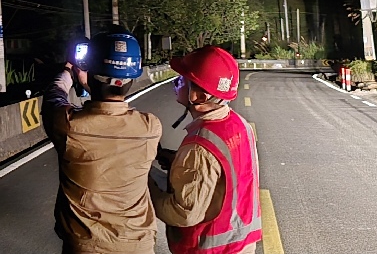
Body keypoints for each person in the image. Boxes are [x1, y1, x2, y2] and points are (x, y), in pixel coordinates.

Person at [43, 31, 162, 254]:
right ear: (133, 77)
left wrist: (70, 70)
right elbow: (111, 101)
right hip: (139, 245)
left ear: (90, 69)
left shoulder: (68, 126)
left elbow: (54, 95)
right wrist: (93, 83)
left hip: (87, 247)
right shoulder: (150, 127)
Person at [149, 46, 262, 254]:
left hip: (210, 249)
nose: (177, 83)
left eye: (182, 79)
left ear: (198, 96)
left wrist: (149, 189)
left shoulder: (199, 145)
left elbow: (183, 213)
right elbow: (223, 173)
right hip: (240, 244)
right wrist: (177, 162)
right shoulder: (239, 124)